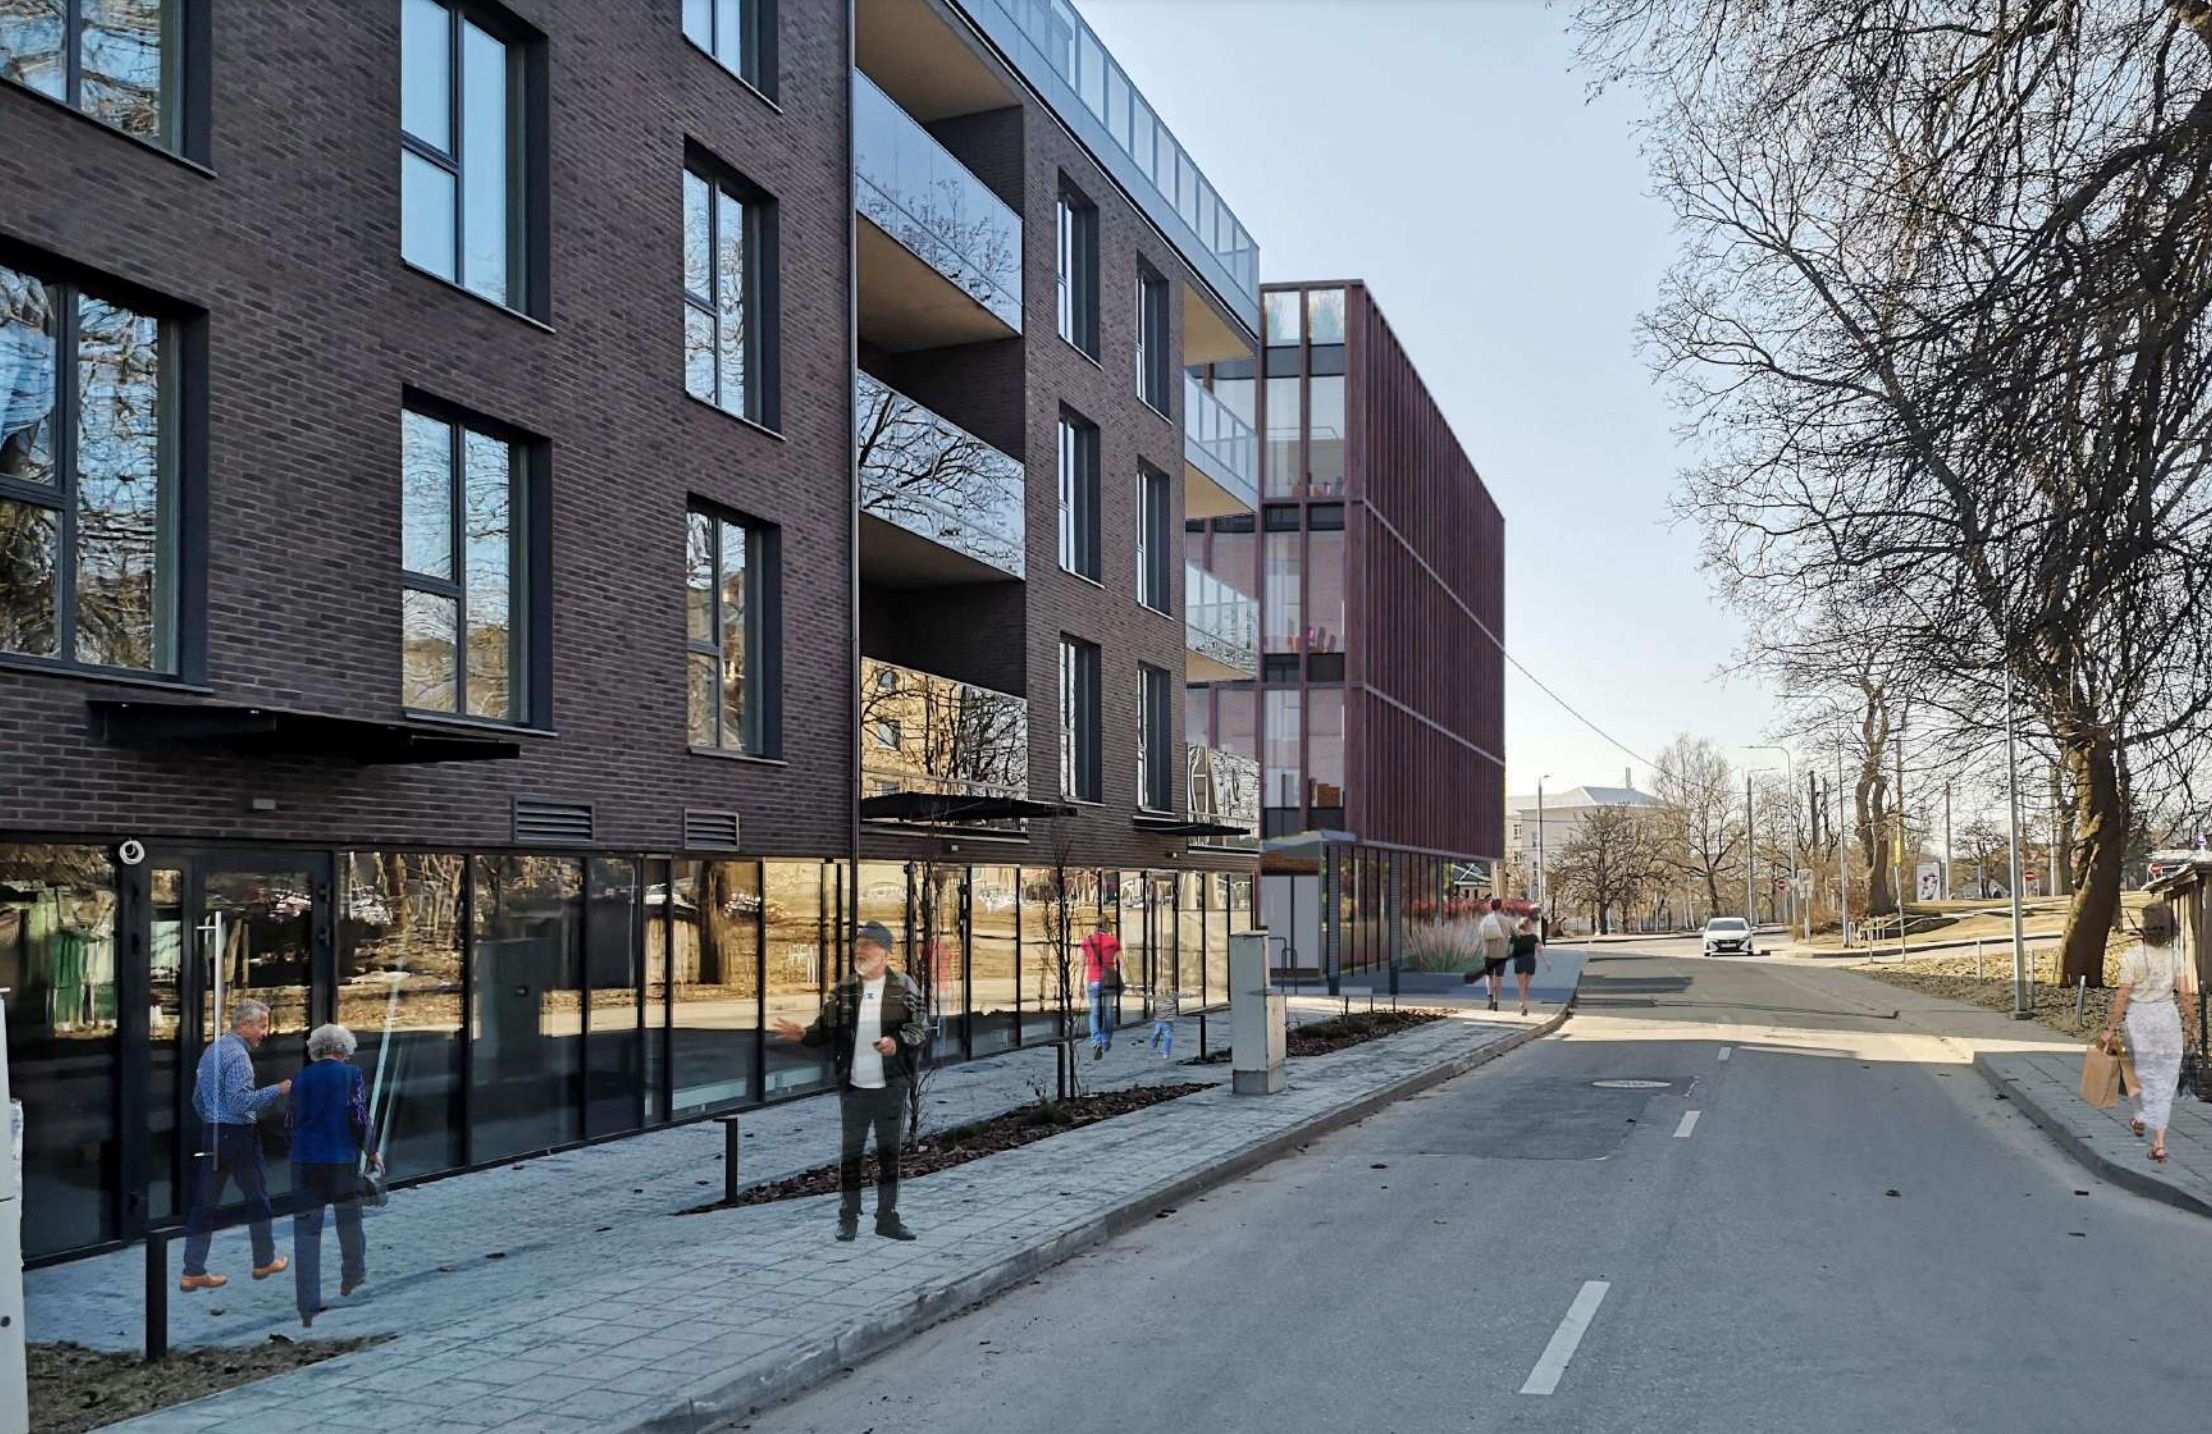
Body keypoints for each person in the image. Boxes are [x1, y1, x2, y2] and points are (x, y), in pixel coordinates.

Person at [771, 922, 926, 1241]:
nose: (860, 951)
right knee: (851, 1155)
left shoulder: (903, 987)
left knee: (889, 1155)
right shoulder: (845, 990)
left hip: (891, 1086)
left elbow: (920, 1028)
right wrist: (803, 1034)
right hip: (854, 1087)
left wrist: (896, 1042)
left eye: (867, 945)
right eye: (858, 945)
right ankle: (848, 1218)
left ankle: (887, 1219)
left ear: (885, 954)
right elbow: (824, 1029)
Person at [179, 998, 291, 1292]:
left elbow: (197, 1100)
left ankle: (192, 1271)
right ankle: (264, 1260)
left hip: (214, 1132)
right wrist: (277, 1090)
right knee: (257, 1198)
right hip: (239, 1135)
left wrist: (213, 1121)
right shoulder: (239, 1057)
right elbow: (241, 1103)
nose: (265, 1033)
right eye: (261, 1026)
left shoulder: (211, 1052)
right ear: (244, 1024)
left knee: (205, 1203)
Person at [288, 1023, 382, 1328]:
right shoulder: (351, 1075)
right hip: (340, 1159)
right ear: (343, 1049)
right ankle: (352, 1276)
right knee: (349, 1219)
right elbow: (358, 1115)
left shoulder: (301, 1078)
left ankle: (307, 1302)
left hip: (304, 1162)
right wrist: (371, 1150)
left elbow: (290, 1120)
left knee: (306, 1231)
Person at [2102, 901, 2197, 1164]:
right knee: (2165, 1079)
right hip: (2166, 1018)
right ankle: (2159, 1142)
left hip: (2138, 1020)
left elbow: (2122, 995)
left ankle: (2141, 1116)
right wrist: (2193, 1024)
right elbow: (2185, 996)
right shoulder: (2175, 957)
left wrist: (2110, 1028)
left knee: (2141, 1074)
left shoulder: (2131, 957)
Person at [1082, 920, 1123, 1060]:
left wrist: (1080, 984)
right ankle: (1105, 1041)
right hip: (1109, 982)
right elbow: (1122, 962)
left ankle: (1096, 1042)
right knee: (1108, 1012)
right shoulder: (1113, 941)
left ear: (1095, 926)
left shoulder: (1087, 941)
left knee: (1094, 1013)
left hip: (1093, 981)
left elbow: (1082, 963)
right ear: (1107, 927)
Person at [1475, 899, 1510, 1012]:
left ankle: (1489, 997)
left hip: (1488, 952)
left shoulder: (1486, 919)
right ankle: (1496, 1002)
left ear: (1491, 907)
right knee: (1499, 978)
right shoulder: (1506, 920)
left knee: (1489, 976)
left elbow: (1480, 934)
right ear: (1500, 907)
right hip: (1501, 953)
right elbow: (1514, 934)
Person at [1509, 914, 1543, 1017]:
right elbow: (1540, 949)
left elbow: (1508, 949)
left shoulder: (1515, 936)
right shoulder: (1533, 937)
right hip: (1530, 961)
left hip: (1519, 961)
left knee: (1521, 986)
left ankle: (1523, 1005)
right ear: (1528, 925)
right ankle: (1524, 1004)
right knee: (1526, 986)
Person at [1149, 985, 1179, 1059]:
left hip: (1168, 1021)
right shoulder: (1158, 997)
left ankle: (1165, 1053)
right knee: (1156, 1033)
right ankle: (1154, 1044)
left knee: (1167, 1036)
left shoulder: (1172, 997)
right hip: (1159, 1020)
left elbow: (1179, 996)